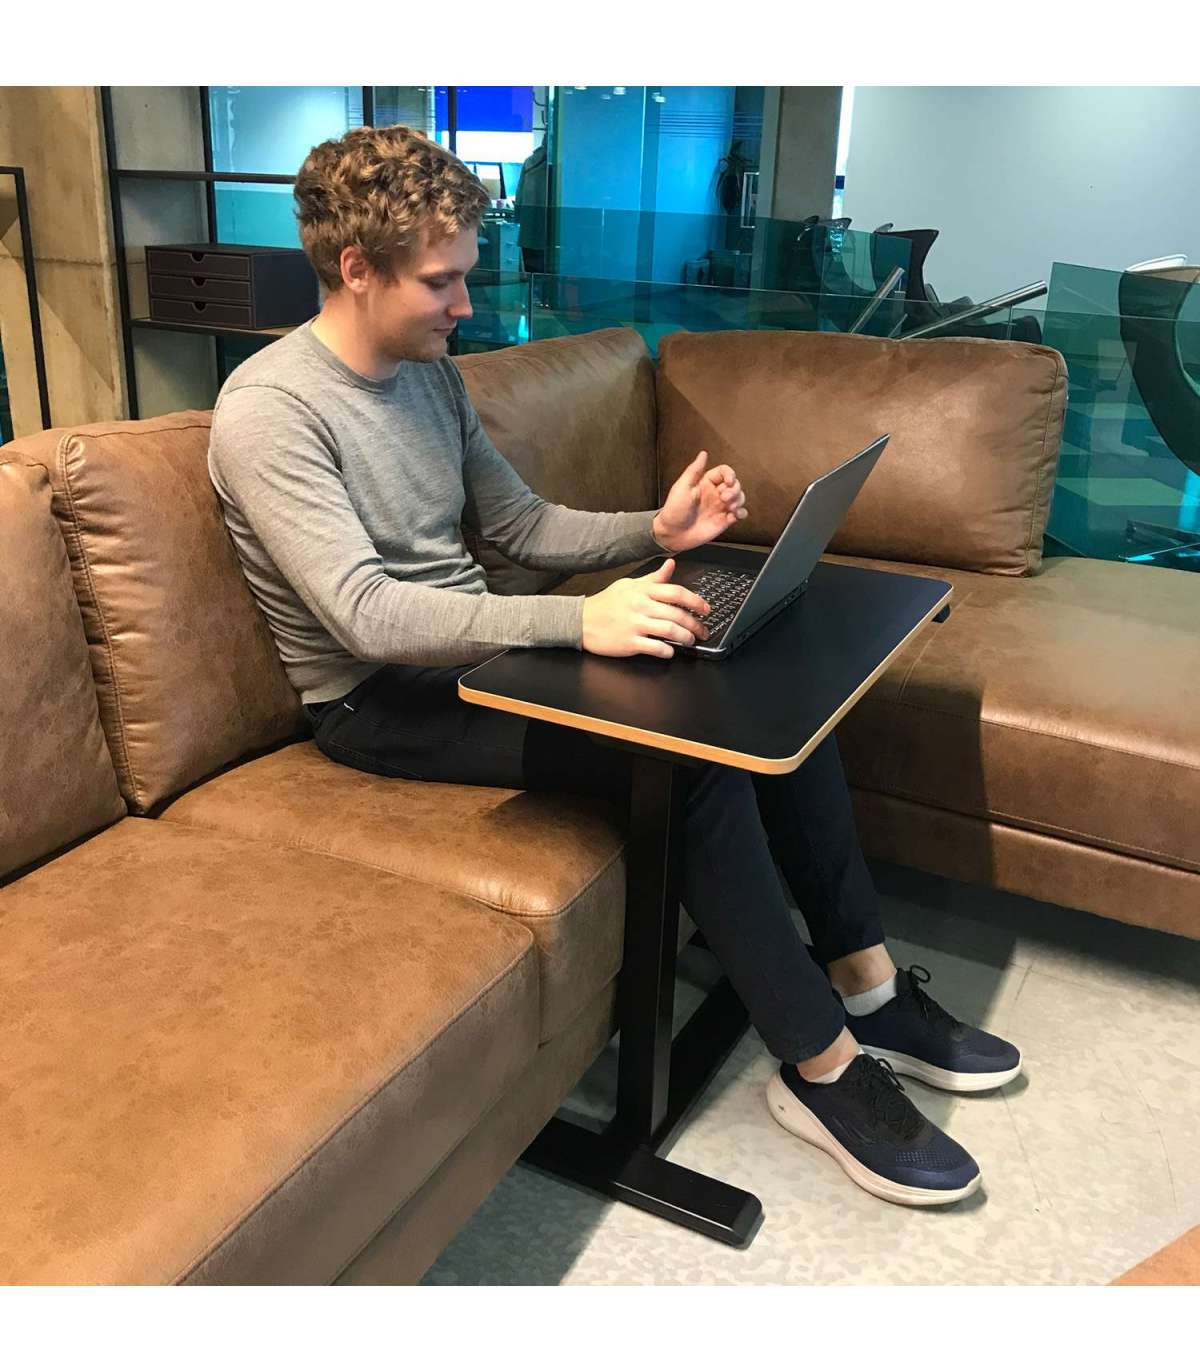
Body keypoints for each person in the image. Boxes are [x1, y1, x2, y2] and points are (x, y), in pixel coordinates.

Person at [207, 124, 1021, 1210]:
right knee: (689, 761)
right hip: (379, 702)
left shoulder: (428, 378)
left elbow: (521, 524)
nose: (465, 305)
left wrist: (658, 527)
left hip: (483, 651)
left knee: (762, 691)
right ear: (356, 269)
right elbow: (364, 617)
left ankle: (867, 987)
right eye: (442, 283)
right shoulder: (271, 412)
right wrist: (578, 624)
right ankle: (822, 1069)